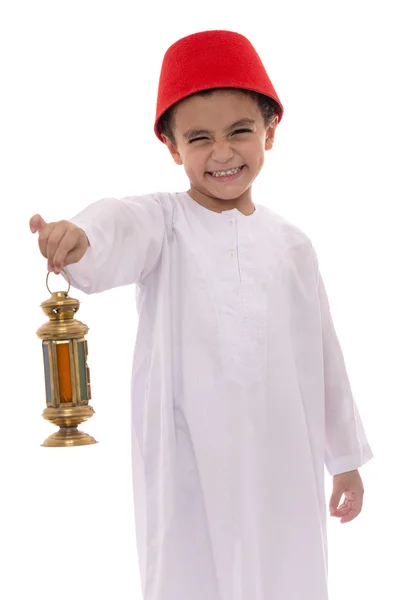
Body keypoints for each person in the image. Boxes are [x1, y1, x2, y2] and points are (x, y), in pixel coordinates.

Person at [30, 30, 373, 600]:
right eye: (199, 138)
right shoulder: (163, 225)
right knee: (189, 573)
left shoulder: (293, 245)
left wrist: (345, 460)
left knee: (287, 574)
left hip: (283, 457)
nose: (222, 153)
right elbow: (115, 225)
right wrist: (79, 238)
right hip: (186, 454)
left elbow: (325, 356)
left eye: (240, 131)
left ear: (270, 131)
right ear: (172, 148)